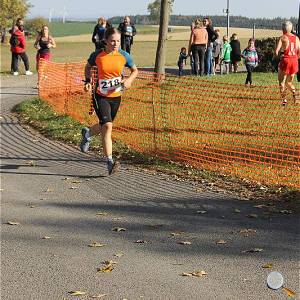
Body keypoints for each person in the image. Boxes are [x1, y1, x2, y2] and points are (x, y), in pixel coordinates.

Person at [81, 27, 138, 175]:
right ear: (105, 40)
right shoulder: (97, 55)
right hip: (100, 96)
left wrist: (129, 80)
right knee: (107, 126)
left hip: (116, 97)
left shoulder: (124, 56)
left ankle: (87, 134)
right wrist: (87, 81)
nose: (115, 44)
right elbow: (88, 67)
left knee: (104, 125)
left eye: (118, 41)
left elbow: (135, 70)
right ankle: (110, 162)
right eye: (112, 40)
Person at [275, 21, 300, 105]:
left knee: (282, 82)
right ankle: (295, 96)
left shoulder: (283, 37)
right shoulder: (297, 38)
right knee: (289, 82)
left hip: (286, 60)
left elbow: (276, 51)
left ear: (283, 29)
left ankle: (284, 100)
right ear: (292, 29)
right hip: (294, 61)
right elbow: (299, 52)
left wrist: (278, 58)